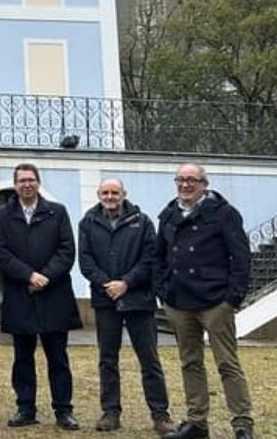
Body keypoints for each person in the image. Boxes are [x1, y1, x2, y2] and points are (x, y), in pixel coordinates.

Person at [156, 164, 254, 439]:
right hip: (179, 302)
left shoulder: (223, 214)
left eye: (192, 180)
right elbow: (159, 256)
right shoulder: (168, 215)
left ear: (204, 184)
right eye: (181, 180)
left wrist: (232, 298)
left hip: (215, 302)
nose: (185, 185)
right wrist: (162, 290)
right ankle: (197, 423)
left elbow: (241, 257)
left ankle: (242, 424)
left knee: (228, 364)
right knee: (190, 363)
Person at [78, 178, 174, 435]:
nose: (110, 197)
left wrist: (126, 283)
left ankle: (160, 414)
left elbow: (150, 258)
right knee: (107, 359)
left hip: (139, 300)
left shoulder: (142, 222)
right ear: (99, 195)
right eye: (105, 192)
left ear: (124, 194)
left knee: (149, 359)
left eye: (114, 192)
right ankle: (110, 412)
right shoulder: (87, 223)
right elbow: (85, 261)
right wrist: (106, 284)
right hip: (105, 299)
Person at [0, 163, 82, 431]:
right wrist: (29, 276)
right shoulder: (2, 216)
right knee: (22, 358)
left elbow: (67, 250)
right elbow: (1, 254)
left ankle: (64, 410)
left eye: (31, 180)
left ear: (38, 183)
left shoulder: (57, 212)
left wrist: (45, 277)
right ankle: (26, 407)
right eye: (21, 181)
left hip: (54, 295)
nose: (26, 185)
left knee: (58, 358)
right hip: (20, 295)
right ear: (15, 184)